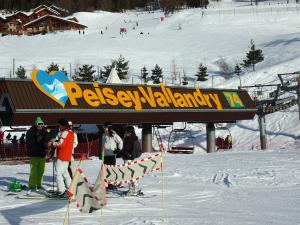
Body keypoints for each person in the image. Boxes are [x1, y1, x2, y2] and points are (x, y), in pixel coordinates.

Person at [49, 118, 74, 197]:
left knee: (58, 173)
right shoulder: (69, 132)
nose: (58, 126)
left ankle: (61, 190)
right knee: (65, 173)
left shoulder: (65, 133)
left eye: (59, 125)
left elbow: (61, 144)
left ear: (63, 125)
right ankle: (71, 189)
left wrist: (52, 144)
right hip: (66, 156)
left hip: (62, 156)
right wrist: (55, 140)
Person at [25, 117, 49, 192]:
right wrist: (38, 138)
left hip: (42, 154)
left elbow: (47, 138)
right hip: (33, 154)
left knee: (41, 170)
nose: (41, 126)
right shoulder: (30, 131)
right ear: (35, 124)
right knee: (33, 171)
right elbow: (29, 142)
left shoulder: (44, 131)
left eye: (42, 124)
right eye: (39, 124)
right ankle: (32, 186)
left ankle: (39, 184)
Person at [121, 125, 142, 195]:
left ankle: (133, 189)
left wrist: (130, 155)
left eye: (126, 131)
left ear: (129, 131)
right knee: (131, 174)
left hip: (129, 159)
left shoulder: (131, 139)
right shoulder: (131, 138)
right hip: (130, 158)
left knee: (130, 174)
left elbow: (134, 150)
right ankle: (133, 188)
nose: (125, 132)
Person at [102, 122, 123, 190]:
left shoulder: (113, 134)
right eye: (104, 127)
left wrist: (118, 149)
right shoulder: (104, 135)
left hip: (111, 154)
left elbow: (120, 141)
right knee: (106, 170)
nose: (105, 129)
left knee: (111, 170)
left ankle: (111, 184)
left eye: (106, 127)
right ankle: (107, 184)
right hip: (105, 155)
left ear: (109, 127)